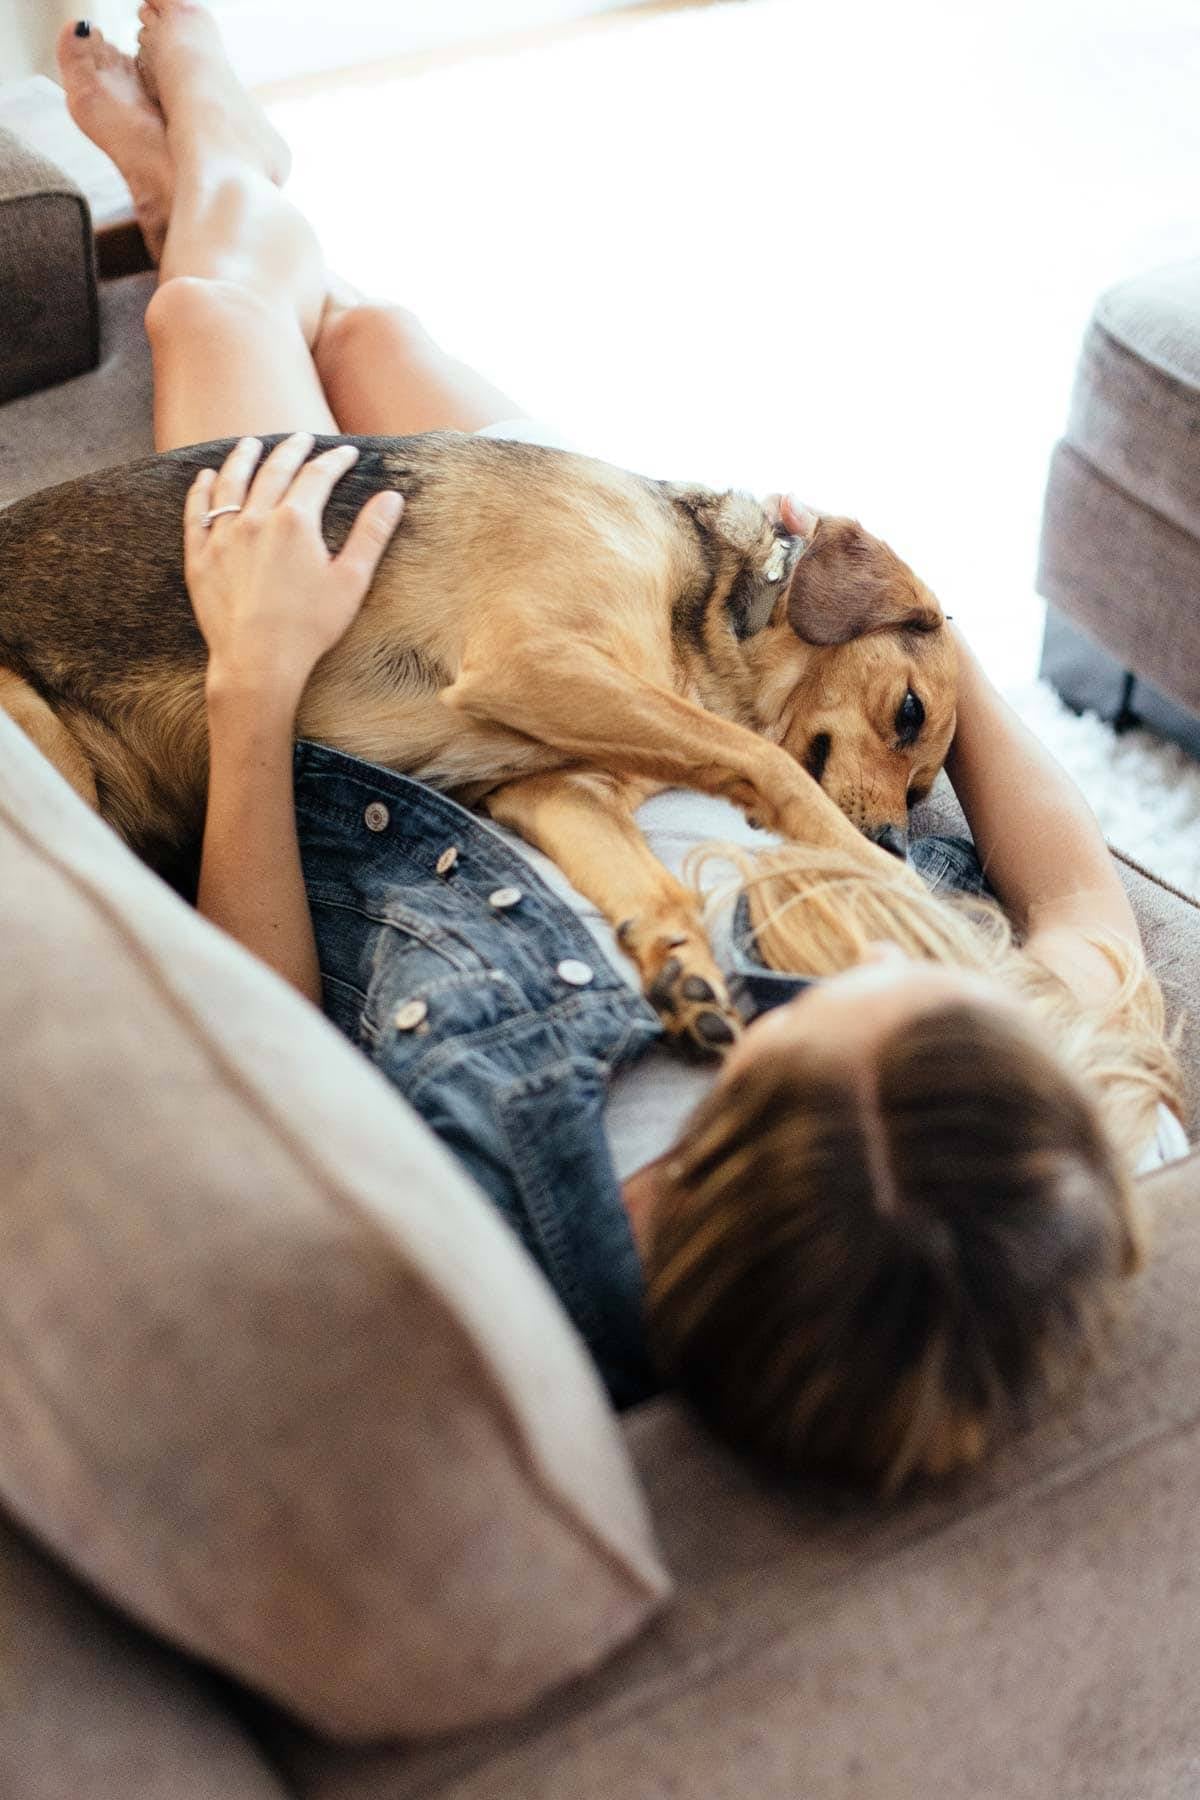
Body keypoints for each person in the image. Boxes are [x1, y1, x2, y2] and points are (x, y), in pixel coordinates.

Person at [55, 5, 1186, 1492]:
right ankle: (224, 188)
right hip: (658, 672)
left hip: (385, 734)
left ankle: (211, 169)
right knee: (379, 341)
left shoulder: (498, 1228)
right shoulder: (1028, 1136)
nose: (868, 956)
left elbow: (265, 1033)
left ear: (714, 1125)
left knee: (211, 317)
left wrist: (253, 697)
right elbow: (1084, 906)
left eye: (803, 1014)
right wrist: (900, 610)